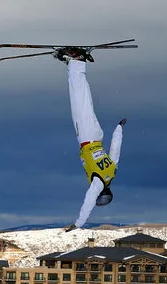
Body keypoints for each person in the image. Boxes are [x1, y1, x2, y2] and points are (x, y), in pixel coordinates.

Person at [52, 47, 126, 232]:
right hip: (87, 137)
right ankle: (78, 62)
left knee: (80, 102)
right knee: (80, 101)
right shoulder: (99, 182)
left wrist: (119, 128)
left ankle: (73, 66)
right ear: (102, 192)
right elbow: (88, 201)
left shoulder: (112, 171)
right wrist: (78, 223)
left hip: (94, 137)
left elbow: (115, 149)